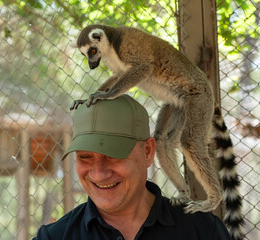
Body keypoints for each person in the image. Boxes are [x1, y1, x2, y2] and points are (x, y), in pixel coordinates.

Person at [33, 94, 231, 240]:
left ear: (147, 152)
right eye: (85, 157)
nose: (99, 173)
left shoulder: (201, 230)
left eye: (113, 155)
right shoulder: (54, 237)